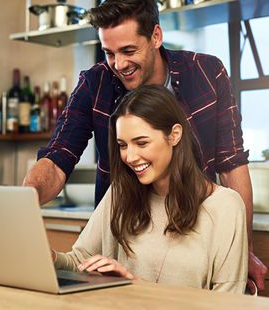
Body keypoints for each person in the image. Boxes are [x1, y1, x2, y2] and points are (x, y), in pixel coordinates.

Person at [23, 0, 267, 292]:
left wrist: (242, 252)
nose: (118, 64)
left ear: (156, 37)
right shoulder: (96, 85)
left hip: (197, 228)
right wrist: (23, 204)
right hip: (130, 229)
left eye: (128, 51)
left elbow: (232, 164)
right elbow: (59, 156)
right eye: (109, 53)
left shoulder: (205, 73)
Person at [52, 85, 248, 293]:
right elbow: (79, 261)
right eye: (123, 145)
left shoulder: (225, 206)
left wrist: (135, 284)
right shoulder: (120, 193)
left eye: (141, 143)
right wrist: (50, 257)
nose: (130, 157)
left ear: (174, 135)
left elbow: (228, 303)